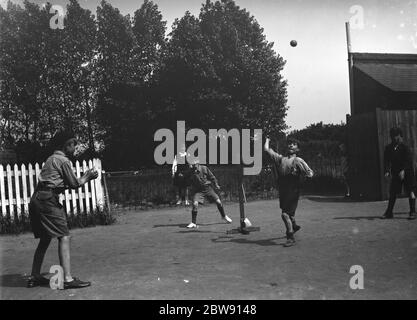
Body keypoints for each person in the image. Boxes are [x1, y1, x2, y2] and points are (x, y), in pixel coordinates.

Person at [27, 130, 98, 289]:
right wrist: (88, 176)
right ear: (67, 145)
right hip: (48, 200)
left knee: (45, 239)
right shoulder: (64, 161)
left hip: (36, 199)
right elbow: (74, 184)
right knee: (64, 236)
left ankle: (35, 275)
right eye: (74, 144)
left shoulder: (50, 159)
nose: (76, 147)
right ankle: (67, 279)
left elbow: (55, 182)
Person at [264, 137, 314, 247]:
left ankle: (290, 237)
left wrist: (304, 176)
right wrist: (267, 140)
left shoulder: (298, 161)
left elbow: (310, 173)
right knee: (289, 214)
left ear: (298, 149)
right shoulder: (281, 159)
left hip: (293, 190)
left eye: (294, 144)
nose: (291, 145)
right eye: (289, 144)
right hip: (283, 190)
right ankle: (294, 226)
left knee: (285, 214)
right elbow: (267, 150)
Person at [186, 160, 232, 228]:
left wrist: (216, 185)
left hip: (208, 189)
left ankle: (224, 216)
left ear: (197, 163)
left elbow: (212, 177)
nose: (193, 166)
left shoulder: (204, 168)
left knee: (218, 202)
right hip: (198, 191)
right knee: (195, 204)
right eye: (191, 164)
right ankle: (193, 223)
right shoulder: (191, 171)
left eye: (194, 164)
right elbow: (188, 181)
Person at [382, 127, 416, 220]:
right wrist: (387, 171)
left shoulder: (405, 148)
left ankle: (412, 212)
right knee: (393, 192)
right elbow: (386, 161)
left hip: (407, 172)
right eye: (392, 136)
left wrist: (404, 170)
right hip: (396, 172)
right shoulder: (388, 148)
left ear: (400, 136)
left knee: (411, 192)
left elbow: (408, 161)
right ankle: (389, 212)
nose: (394, 138)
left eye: (396, 136)